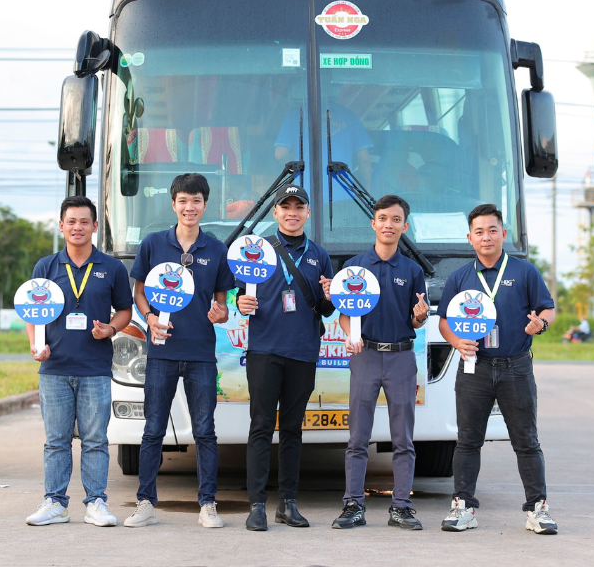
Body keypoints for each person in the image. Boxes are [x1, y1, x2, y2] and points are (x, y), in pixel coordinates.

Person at [436, 203, 558, 535]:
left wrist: (540, 325)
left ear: (503, 234)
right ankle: (463, 507)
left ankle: (538, 510)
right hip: (474, 366)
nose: (486, 237)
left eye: (493, 230)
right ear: (470, 238)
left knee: (526, 440)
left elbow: (547, 309)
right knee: (467, 440)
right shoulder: (460, 276)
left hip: (515, 367)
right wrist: (456, 343)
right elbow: (445, 320)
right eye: (479, 231)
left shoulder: (524, 271)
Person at [124, 173, 235, 529]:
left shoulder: (216, 249)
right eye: (183, 201)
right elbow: (139, 291)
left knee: (205, 430)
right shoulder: (153, 244)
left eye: (197, 201)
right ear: (173, 204)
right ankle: (145, 502)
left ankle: (208, 503)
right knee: (153, 428)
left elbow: (222, 305)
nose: (190, 207)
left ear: (205, 205)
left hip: (201, 353)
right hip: (161, 352)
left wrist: (221, 313)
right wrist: (150, 317)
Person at [24, 196, 134, 527]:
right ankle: (55, 503)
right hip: (54, 369)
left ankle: (96, 503)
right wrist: (35, 345)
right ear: (61, 225)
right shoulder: (46, 266)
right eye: (71, 221)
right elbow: (32, 311)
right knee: (56, 441)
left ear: (95, 226)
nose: (77, 227)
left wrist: (111, 328)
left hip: (95, 370)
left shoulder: (112, 268)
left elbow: (126, 311)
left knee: (95, 440)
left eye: (84, 222)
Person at [324, 195, 429, 531]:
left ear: (404, 226)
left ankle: (402, 506)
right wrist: (349, 333)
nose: (388, 224)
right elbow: (345, 316)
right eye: (382, 218)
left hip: (401, 358)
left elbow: (415, 321)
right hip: (365, 356)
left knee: (403, 439)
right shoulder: (354, 267)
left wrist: (420, 318)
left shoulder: (413, 271)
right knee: (358, 438)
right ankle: (353, 505)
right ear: (373, 223)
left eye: (395, 219)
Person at [235, 183, 335, 531]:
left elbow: (324, 308)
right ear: (275, 213)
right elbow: (240, 294)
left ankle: (288, 503)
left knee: (292, 429)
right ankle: (257, 505)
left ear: (307, 213)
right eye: (285, 207)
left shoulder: (319, 255)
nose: (292, 212)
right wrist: (239, 302)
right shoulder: (257, 249)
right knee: (261, 426)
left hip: (303, 352)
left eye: (299, 207)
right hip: (264, 351)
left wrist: (330, 297)